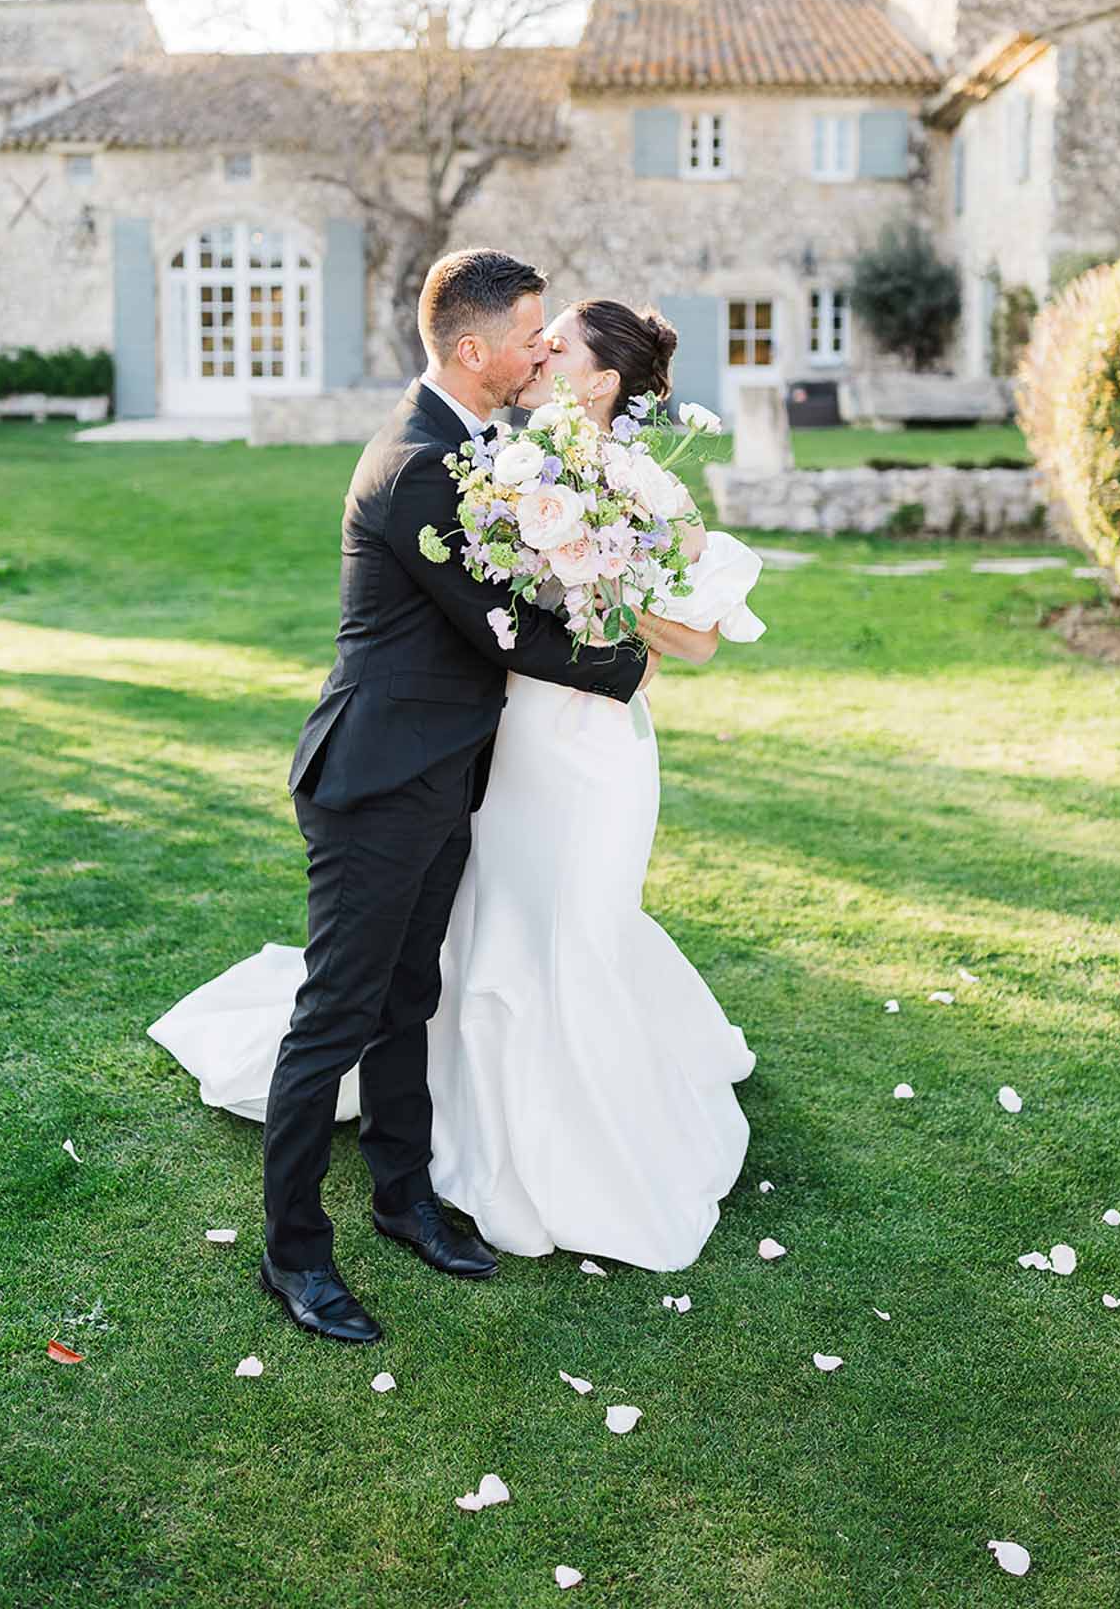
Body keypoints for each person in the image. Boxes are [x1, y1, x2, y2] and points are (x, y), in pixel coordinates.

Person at [148, 283, 766, 1334]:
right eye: (531, 335)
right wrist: (624, 670)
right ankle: (294, 1253)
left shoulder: (475, 440)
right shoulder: (418, 462)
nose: (539, 352)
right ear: (476, 346)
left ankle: (403, 1196)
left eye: (550, 338)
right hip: (378, 776)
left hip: (454, 768)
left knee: (408, 998)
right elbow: (506, 630)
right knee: (333, 1015)